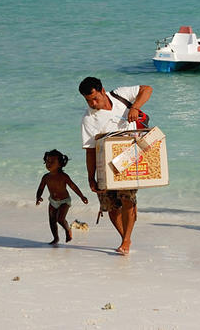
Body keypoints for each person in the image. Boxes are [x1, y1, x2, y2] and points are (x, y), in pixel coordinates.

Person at [79, 76, 153, 255]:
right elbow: (90, 150)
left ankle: (126, 240)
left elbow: (147, 89)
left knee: (128, 200)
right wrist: (91, 177)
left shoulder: (120, 95)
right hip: (104, 164)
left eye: (95, 98)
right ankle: (124, 237)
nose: (93, 103)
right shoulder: (89, 119)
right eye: (89, 101)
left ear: (103, 90)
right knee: (111, 208)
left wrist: (135, 107)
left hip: (130, 157)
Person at [35, 149, 88, 245]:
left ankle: (68, 230)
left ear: (60, 164)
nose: (49, 163)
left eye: (52, 162)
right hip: (52, 201)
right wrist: (38, 197)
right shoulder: (46, 177)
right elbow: (40, 188)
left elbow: (73, 186)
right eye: (47, 161)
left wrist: (82, 196)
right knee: (52, 220)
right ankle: (55, 238)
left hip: (64, 201)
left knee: (60, 219)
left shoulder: (64, 176)